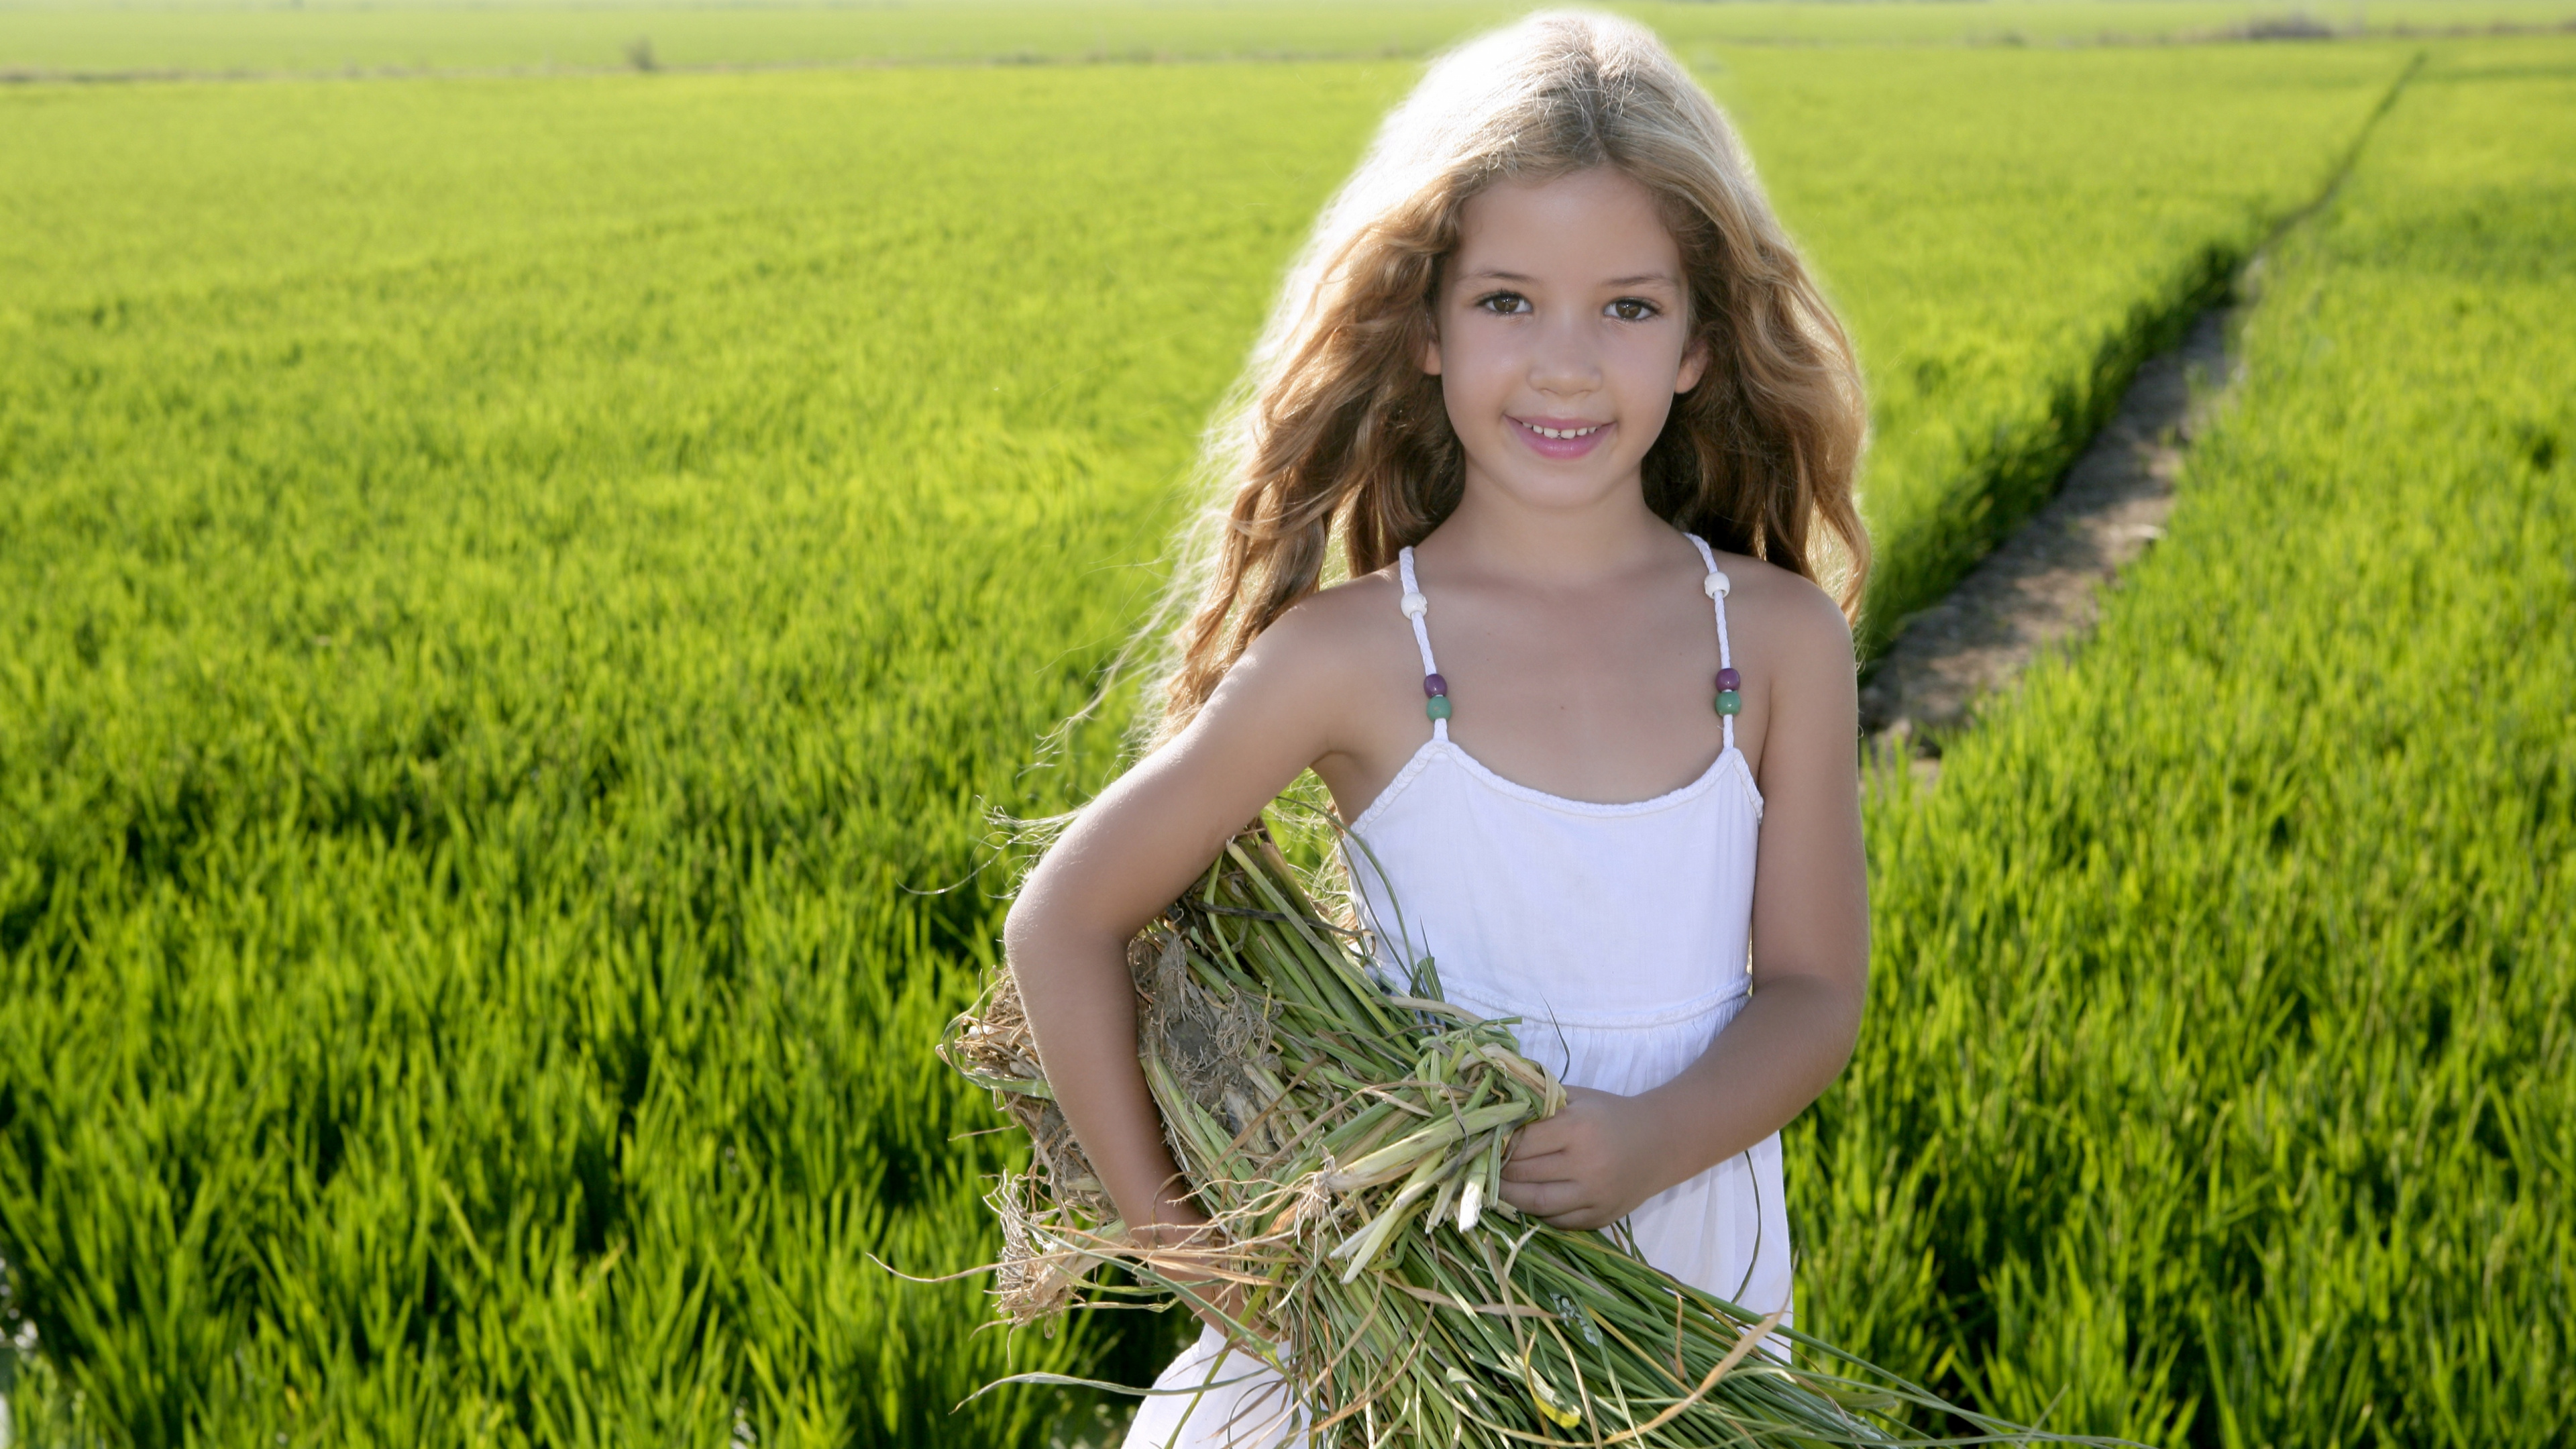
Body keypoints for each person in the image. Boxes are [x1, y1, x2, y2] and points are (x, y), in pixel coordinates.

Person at [1004, 11, 1872, 1446]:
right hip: (1406, 1322)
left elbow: (1814, 994)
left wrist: (1650, 1141)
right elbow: (1065, 922)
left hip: (1678, 1316)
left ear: (1706, 345)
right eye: (1508, 302)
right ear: (1424, 327)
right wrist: (1196, 1263)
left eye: (1631, 309)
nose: (1566, 367)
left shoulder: (1774, 643)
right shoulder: (1352, 658)